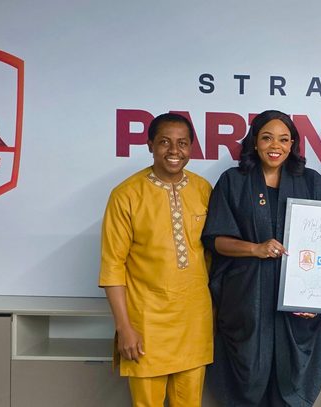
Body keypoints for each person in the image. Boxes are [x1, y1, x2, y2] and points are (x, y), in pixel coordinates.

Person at [202, 110, 321, 407]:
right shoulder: (233, 181)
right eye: (267, 138)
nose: (276, 146)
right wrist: (255, 249)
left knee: (290, 383)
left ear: (292, 144)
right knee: (248, 379)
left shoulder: (311, 182)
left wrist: (317, 300)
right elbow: (216, 240)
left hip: (295, 307)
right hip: (248, 301)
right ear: (254, 142)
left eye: (284, 139)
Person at [99, 113, 213, 407]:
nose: (174, 151)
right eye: (164, 142)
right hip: (146, 324)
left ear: (191, 147)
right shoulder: (126, 195)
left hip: (193, 321)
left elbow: (212, 255)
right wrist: (124, 328)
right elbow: (113, 266)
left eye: (182, 143)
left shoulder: (203, 190)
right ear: (150, 145)